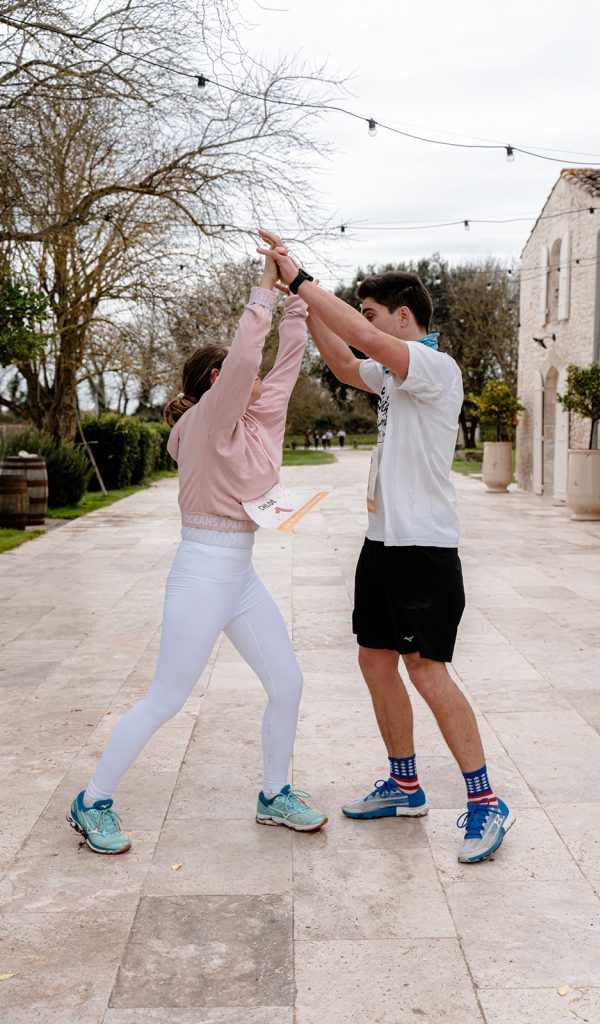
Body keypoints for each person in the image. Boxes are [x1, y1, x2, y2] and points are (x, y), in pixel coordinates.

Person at [258, 229, 513, 864]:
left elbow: (365, 342)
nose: (365, 323)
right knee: (376, 662)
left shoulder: (432, 365)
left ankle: (486, 803)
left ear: (404, 316)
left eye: (371, 312)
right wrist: (304, 308)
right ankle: (405, 786)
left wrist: (300, 280)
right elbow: (347, 364)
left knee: (427, 671)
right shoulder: (396, 377)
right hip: (382, 545)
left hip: (424, 550)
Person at [67, 252, 328, 854]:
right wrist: (262, 291)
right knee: (167, 698)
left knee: (287, 682)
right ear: (217, 384)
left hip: (240, 574)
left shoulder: (261, 420)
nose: (258, 381)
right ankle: (92, 801)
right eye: (242, 377)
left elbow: (285, 366)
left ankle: (274, 794)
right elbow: (246, 360)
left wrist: (297, 300)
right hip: (201, 571)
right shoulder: (209, 423)